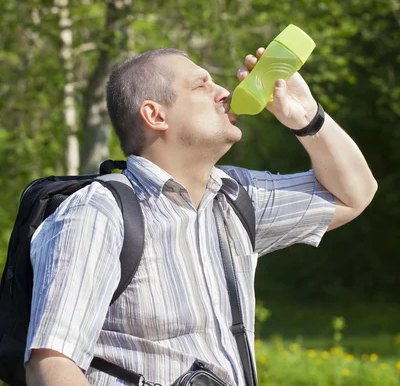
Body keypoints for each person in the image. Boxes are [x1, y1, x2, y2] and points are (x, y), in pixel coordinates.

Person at [25, 47, 377, 386]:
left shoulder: (239, 197)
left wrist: (306, 116)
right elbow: (53, 361)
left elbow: (353, 194)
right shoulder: (97, 213)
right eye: (201, 84)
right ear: (155, 115)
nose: (224, 91)